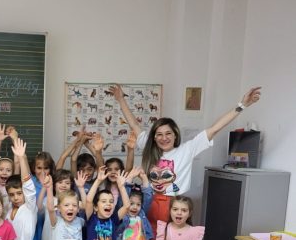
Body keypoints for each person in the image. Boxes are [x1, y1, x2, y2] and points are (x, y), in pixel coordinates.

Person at [111, 84, 262, 232]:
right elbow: (133, 124)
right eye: (159, 134)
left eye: (168, 133)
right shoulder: (149, 147)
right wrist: (120, 99)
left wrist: (242, 105)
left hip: (174, 204)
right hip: (148, 202)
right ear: (154, 137)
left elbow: (215, 128)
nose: (164, 138)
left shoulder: (187, 149)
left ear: (175, 135)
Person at [83, 167, 130, 240]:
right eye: (104, 201)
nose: (108, 204)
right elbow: (88, 201)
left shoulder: (113, 219)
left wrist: (121, 187)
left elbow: (126, 206)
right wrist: (98, 181)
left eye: (111, 201)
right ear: (96, 207)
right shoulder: (91, 218)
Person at [116, 167, 154, 240]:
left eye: (138, 204)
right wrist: (130, 178)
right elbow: (123, 198)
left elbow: (148, 197)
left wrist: (144, 178)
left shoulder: (142, 215)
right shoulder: (124, 215)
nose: (134, 207)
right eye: (131, 203)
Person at [0, 123, 17, 211]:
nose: (4, 172)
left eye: (8, 170)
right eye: (1, 169)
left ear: (12, 173)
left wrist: (15, 139)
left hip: (10, 218)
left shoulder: (14, 184)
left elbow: (17, 163)